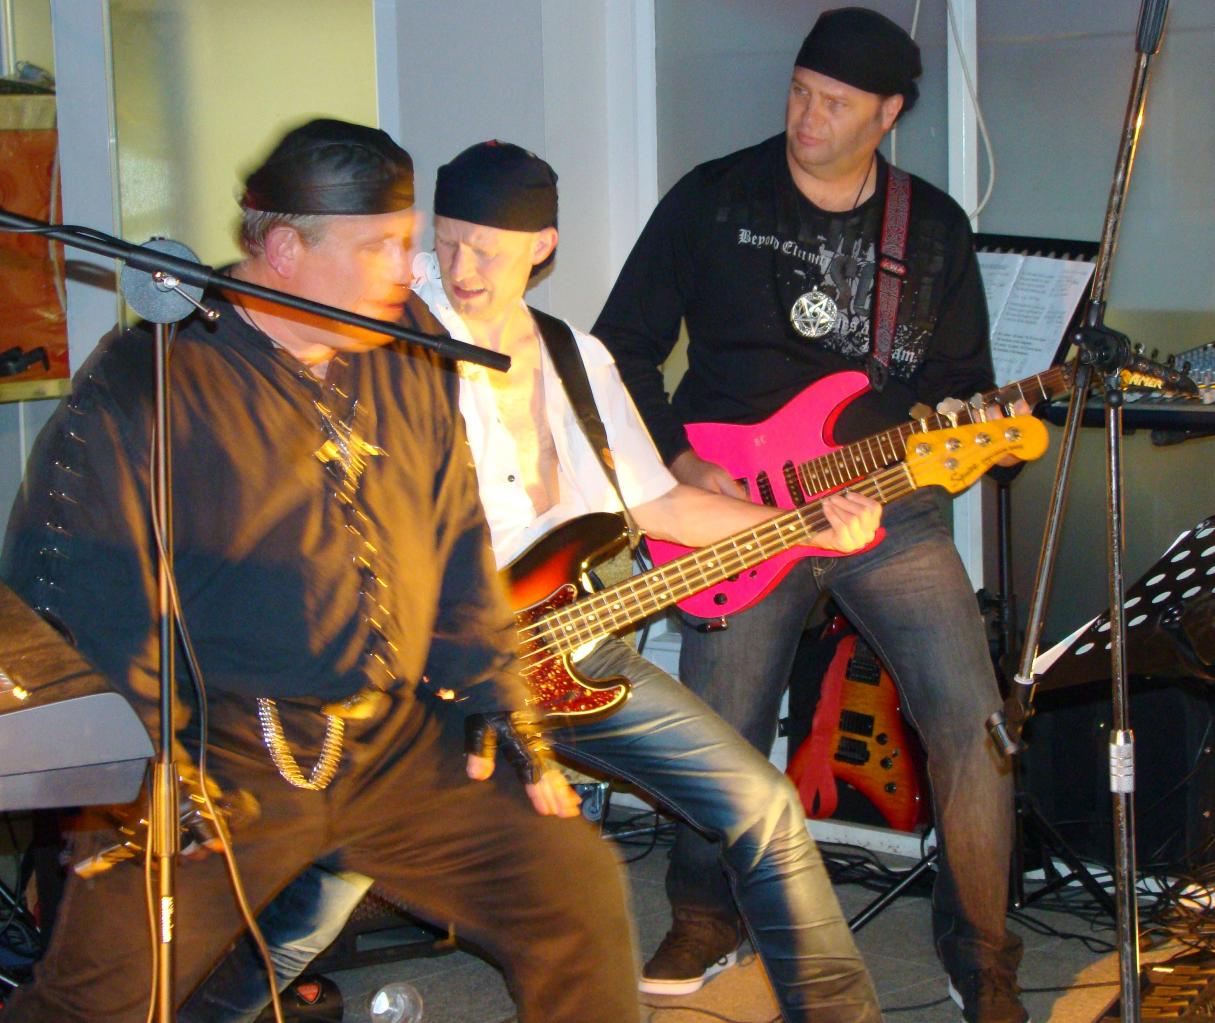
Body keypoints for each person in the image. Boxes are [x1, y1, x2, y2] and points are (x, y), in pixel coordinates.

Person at [186, 140, 886, 1023]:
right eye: (445, 241)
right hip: (441, 676)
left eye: (484, 248)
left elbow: (662, 504)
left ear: (541, 246)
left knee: (764, 803)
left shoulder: (575, 356)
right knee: (317, 902)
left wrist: (803, 526)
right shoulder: (389, 344)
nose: (460, 268)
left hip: (579, 655)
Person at [0, 118, 640, 1023]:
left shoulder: (410, 343)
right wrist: (148, 776)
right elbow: (79, 597)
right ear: (284, 249)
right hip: (224, 755)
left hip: (393, 737)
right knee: (98, 999)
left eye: (407, 242)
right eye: (380, 246)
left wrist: (497, 701)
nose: (407, 269)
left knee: (572, 885)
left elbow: (453, 534)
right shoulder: (153, 380)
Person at [592, 8, 1029, 1023]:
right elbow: (619, 349)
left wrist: (942, 451)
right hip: (732, 506)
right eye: (799, 91)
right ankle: (706, 913)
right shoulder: (713, 197)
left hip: (880, 505)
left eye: (834, 103)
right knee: (720, 727)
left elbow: (959, 386)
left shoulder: (932, 230)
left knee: (973, 723)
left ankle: (982, 955)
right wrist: (682, 464)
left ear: (888, 114)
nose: (806, 116)